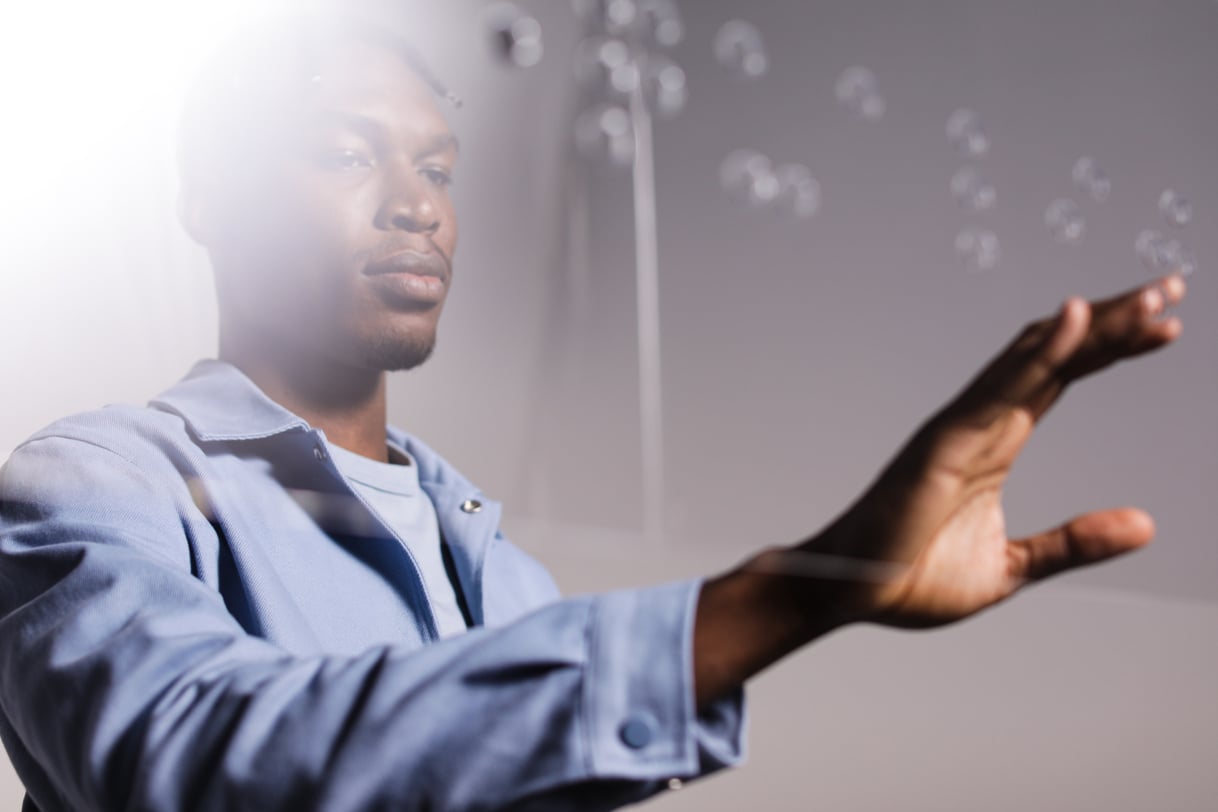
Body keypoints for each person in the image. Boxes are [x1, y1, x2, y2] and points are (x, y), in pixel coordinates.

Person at [0, 7, 1188, 812]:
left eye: (438, 168)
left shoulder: (500, 567)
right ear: (209, 197)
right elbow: (193, 760)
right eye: (346, 153)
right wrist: (799, 585)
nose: (416, 207)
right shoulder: (94, 485)